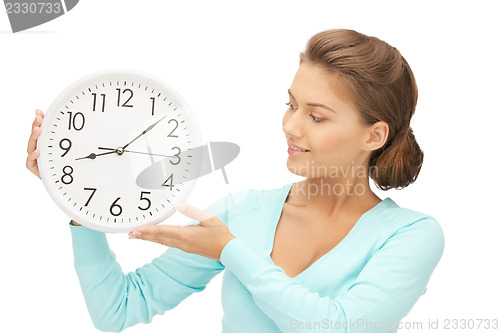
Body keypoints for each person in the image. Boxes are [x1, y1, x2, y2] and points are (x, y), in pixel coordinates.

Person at [26, 29, 444, 332]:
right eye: (291, 105)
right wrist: (77, 199)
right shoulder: (243, 214)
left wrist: (230, 251)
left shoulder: (410, 235)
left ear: (374, 135)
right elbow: (117, 310)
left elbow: (337, 327)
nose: (290, 127)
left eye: (316, 116)